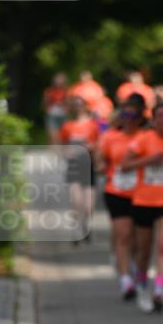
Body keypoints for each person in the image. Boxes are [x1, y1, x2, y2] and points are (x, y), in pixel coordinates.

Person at [121, 101, 163, 313]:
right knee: (144, 251)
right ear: (153, 119)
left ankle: (160, 291)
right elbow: (125, 166)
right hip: (144, 200)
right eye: (160, 116)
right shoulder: (143, 139)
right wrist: (149, 160)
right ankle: (142, 287)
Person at [96, 100, 146, 300]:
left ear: (140, 119)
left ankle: (132, 266)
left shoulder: (145, 137)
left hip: (141, 193)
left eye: (133, 116)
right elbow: (100, 162)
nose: (128, 120)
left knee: (137, 240)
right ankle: (125, 280)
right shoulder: (109, 137)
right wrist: (101, 166)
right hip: (115, 191)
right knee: (123, 235)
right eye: (125, 115)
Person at [59, 95, 99, 241]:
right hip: (74, 166)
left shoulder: (93, 125)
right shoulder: (67, 126)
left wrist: (91, 147)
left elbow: (101, 144)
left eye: (80, 104)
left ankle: (85, 225)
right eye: (75, 105)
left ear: (85, 106)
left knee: (89, 206)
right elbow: (62, 146)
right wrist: (67, 153)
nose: (78, 107)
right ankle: (77, 231)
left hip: (89, 165)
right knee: (76, 202)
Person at [42, 72, 68, 144]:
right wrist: (48, 108)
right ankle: (52, 149)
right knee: (52, 135)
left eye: (60, 80)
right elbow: (44, 103)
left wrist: (64, 107)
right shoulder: (49, 91)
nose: (58, 82)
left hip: (62, 114)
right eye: (56, 80)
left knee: (62, 135)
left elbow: (68, 103)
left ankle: (61, 149)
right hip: (52, 114)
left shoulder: (66, 91)